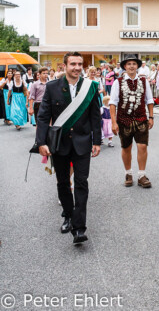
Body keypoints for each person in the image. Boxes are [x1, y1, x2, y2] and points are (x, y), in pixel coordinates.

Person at [37, 52, 101, 245]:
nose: (77, 67)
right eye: (73, 64)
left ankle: (79, 227)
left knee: (81, 182)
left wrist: (97, 141)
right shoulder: (52, 87)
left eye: (80, 64)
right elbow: (43, 117)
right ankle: (68, 215)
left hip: (82, 142)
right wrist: (41, 142)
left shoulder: (90, 87)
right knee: (63, 183)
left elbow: (95, 116)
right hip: (60, 144)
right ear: (64, 66)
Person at [110, 54, 154, 188]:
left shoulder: (144, 81)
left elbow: (149, 100)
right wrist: (113, 122)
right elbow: (113, 103)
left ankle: (142, 175)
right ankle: (128, 173)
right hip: (124, 119)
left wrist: (151, 117)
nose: (131, 66)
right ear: (124, 66)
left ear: (137, 66)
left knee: (142, 146)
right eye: (129, 64)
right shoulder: (117, 82)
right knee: (126, 147)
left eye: (134, 64)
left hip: (141, 118)